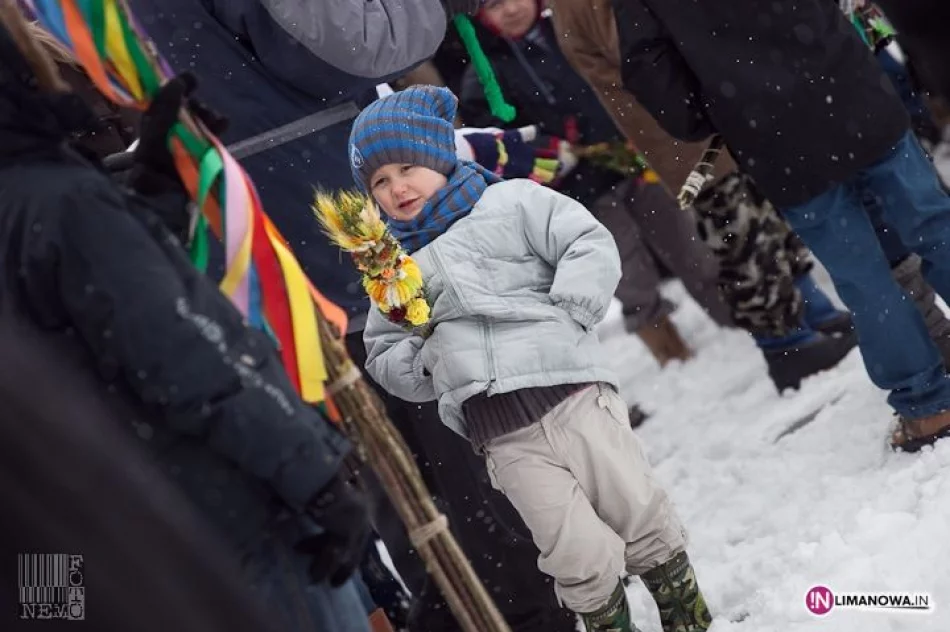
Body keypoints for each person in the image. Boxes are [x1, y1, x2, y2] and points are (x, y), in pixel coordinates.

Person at [127, 1, 586, 628]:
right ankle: (521, 612)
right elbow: (354, 42)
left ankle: (471, 606)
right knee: (461, 444)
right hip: (338, 204)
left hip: (259, 234)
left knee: (397, 472)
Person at [0, 6, 371, 630]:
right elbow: (184, 354)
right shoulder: (59, 204)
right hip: (220, 520)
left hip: (89, 547)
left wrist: (152, 202)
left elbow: (74, 335)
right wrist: (316, 476)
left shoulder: (36, 201)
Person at [355, 85, 713, 632]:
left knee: (636, 507)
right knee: (572, 550)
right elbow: (381, 348)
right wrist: (426, 362)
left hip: (575, 394)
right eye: (379, 181)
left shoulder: (511, 202)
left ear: (440, 156)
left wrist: (571, 310)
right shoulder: (393, 268)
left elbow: (585, 242)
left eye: (407, 168)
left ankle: (685, 614)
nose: (396, 187)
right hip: (503, 435)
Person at [607, 0, 950, 451]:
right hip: (843, 81)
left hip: (771, 123)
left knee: (864, 273)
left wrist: (718, 107)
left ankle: (927, 406)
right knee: (931, 227)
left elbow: (648, 66)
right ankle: (925, 402)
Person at [460, 0, 733, 366]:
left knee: (689, 246)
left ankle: (734, 318)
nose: (510, 9)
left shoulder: (569, 32)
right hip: (580, 192)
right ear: (478, 15)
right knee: (627, 272)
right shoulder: (485, 75)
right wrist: (545, 150)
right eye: (494, 5)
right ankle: (669, 351)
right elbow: (499, 140)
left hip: (633, 163)